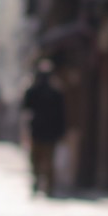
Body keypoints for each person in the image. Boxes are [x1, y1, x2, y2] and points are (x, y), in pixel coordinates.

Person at [20, 60, 67, 197]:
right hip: (49, 132)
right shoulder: (55, 91)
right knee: (47, 160)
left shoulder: (34, 90)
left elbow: (25, 107)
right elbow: (61, 114)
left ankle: (39, 183)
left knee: (37, 159)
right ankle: (48, 187)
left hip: (38, 130)